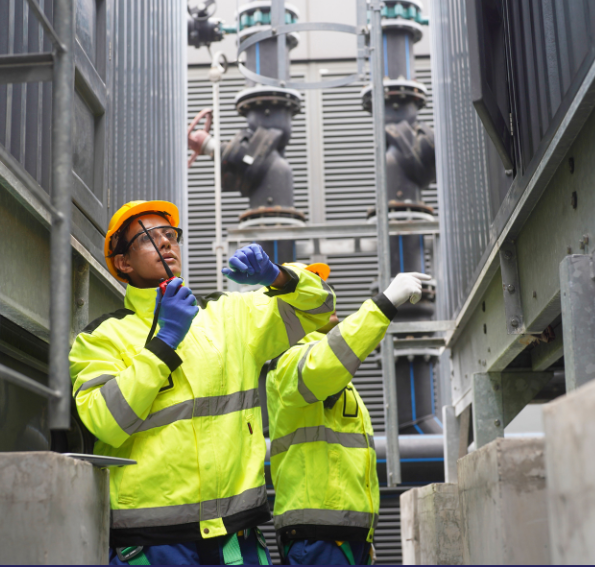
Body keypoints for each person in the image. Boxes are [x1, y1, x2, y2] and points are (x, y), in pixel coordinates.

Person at [68, 200, 335, 565]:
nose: (166, 243)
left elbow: (318, 308)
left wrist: (278, 277)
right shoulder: (101, 338)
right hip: (153, 544)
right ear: (124, 263)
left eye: (170, 234)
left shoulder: (229, 316)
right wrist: (163, 343)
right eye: (148, 238)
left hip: (235, 538)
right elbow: (106, 422)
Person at [265, 265, 430, 565]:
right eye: (313, 291)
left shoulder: (327, 368)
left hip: (343, 537)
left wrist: (360, 535)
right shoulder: (288, 363)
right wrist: (386, 303)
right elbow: (328, 360)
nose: (327, 297)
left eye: (325, 289)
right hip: (318, 539)